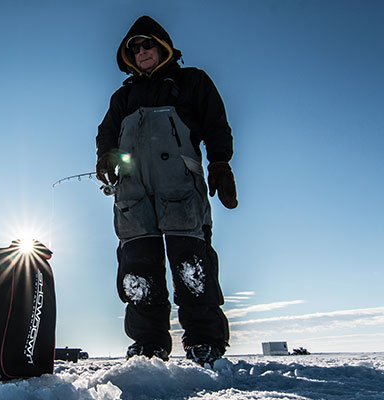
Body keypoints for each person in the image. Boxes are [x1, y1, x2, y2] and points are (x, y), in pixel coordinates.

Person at [96, 15, 238, 366]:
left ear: (163, 46)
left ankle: (204, 342)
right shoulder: (123, 96)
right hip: (132, 194)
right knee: (138, 270)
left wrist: (220, 163)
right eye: (135, 47)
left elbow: (216, 123)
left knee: (192, 265)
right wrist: (105, 157)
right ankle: (148, 344)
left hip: (180, 187)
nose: (141, 51)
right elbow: (106, 134)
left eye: (147, 44)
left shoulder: (192, 82)